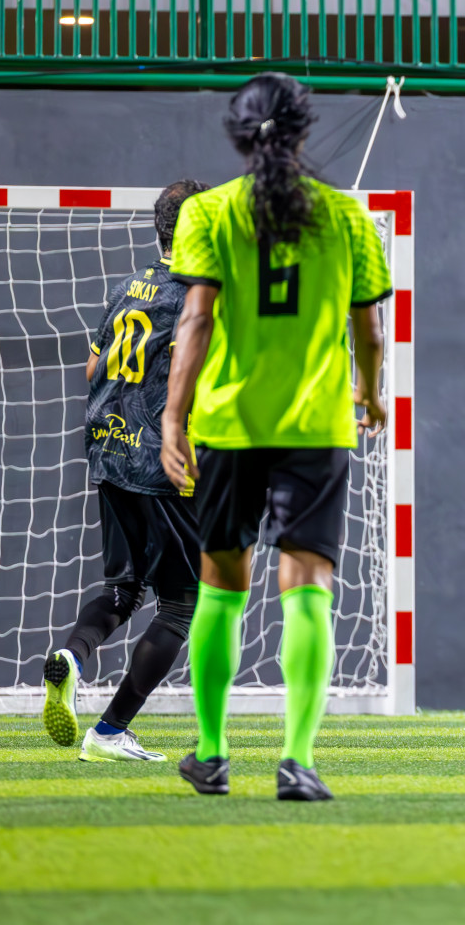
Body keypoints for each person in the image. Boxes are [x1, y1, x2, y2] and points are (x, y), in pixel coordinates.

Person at [160, 72, 392, 801]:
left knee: (222, 584)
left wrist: (174, 415)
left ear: (238, 133)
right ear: (302, 130)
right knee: (307, 589)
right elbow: (370, 329)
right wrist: (370, 394)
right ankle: (297, 759)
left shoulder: (208, 213)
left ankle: (211, 752)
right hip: (316, 425)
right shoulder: (345, 217)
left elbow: (194, 321)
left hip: (229, 424)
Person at [42, 179, 211, 762]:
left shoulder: (126, 287)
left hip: (109, 451)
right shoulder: (199, 297)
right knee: (182, 604)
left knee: (123, 585)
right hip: (161, 462)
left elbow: (92, 369)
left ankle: (73, 655)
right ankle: (110, 730)